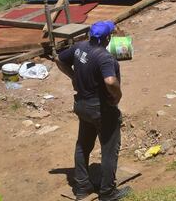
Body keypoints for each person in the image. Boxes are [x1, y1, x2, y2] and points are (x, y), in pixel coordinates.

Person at [55, 21, 130, 201]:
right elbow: (110, 81)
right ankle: (108, 192)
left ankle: (82, 187)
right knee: (109, 149)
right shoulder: (104, 57)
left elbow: (59, 59)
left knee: (83, 145)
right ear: (108, 38)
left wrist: (73, 76)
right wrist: (118, 95)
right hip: (101, 109)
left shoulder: (79, 47)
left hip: (82, 105)